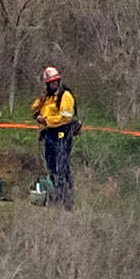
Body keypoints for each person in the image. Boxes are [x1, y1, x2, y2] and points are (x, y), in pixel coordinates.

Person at [33, 66, 80, 206]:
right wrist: (41, 101)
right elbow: (34, 108)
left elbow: (66, 117)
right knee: (51, 165)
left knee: (62, 166)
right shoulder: (47, 97)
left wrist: (46, 120)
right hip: (49, 133)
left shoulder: (65, 96)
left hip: (62, 133)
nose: (53, 84)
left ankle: (66, 199)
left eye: (55, 82)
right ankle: (57, 196)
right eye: (50, 82)